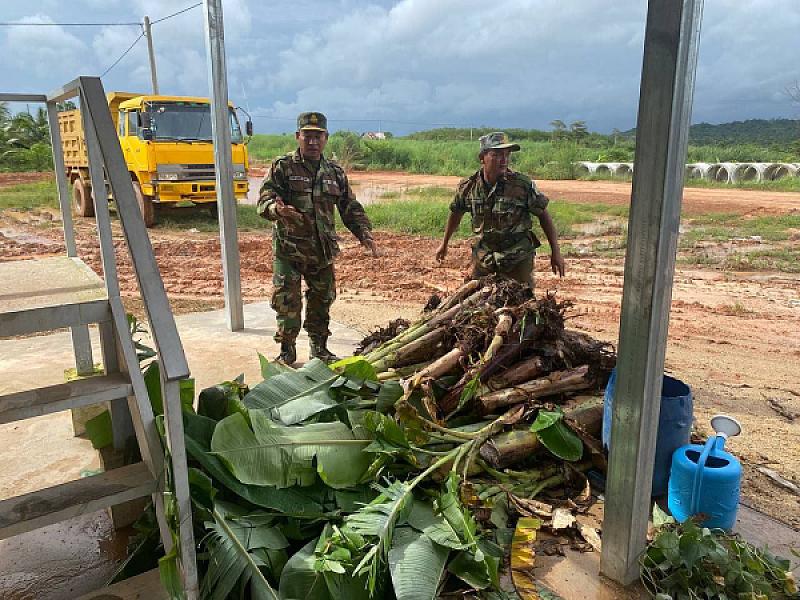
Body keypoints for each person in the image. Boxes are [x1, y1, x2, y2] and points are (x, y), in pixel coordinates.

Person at [258, 111, 379, 364]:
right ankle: (286, 350)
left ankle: (319, 348)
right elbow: (264, 199)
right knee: (286, 302)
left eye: (318, 136)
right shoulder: (283, 167)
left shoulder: (334, 172)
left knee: (321, 301)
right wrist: (276, 210)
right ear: (297, 137)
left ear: (326, 138)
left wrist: (364, 233)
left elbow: (349, 207)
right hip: (288, 250)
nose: (313, 142)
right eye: (307, 136)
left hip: (322, 251)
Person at [435, 131, 565, 286]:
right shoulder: (468, 187)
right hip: (484, 256)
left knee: (520, 303)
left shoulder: (522, 185)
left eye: (506, 154)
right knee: (475, 301)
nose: (503, 160)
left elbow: (544, 216)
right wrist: (444, 244)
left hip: (516, 256)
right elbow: (456, 212)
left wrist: (556, 252)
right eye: (496, 155)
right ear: (482, 157)